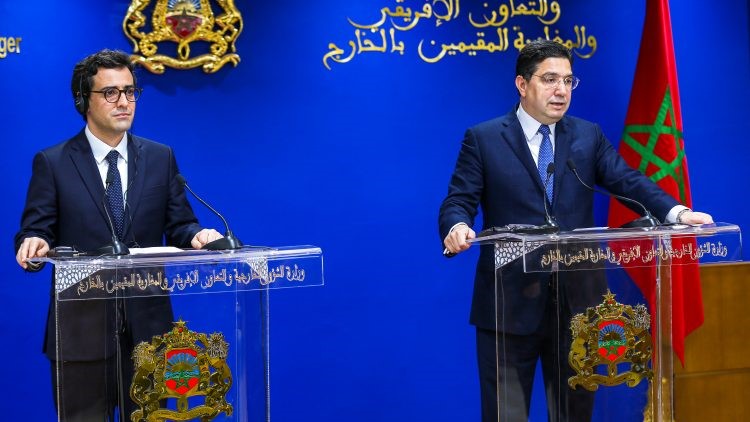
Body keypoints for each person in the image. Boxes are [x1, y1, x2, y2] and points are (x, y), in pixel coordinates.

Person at [438, 40, 713, 421]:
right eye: (550, 79)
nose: (561, 91)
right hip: (508, 306)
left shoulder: (587, 136)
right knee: (506, 414)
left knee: (575, 415)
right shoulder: (484, 139)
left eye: (568, 81)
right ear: (522, 84)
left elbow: (627, 181)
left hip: (579, 310)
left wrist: (676, 212)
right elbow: (458, 200)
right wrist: (457, 226)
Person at [14, 49, 223, 421]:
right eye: (110, 93)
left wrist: (196, 236)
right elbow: (35, 229)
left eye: (130, 91)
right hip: (80, 331)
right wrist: (35, 244)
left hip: (150, 334)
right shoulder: (54, 162)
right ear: (83, 100)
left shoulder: (161, 158)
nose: (124, 101)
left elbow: (179, 224)